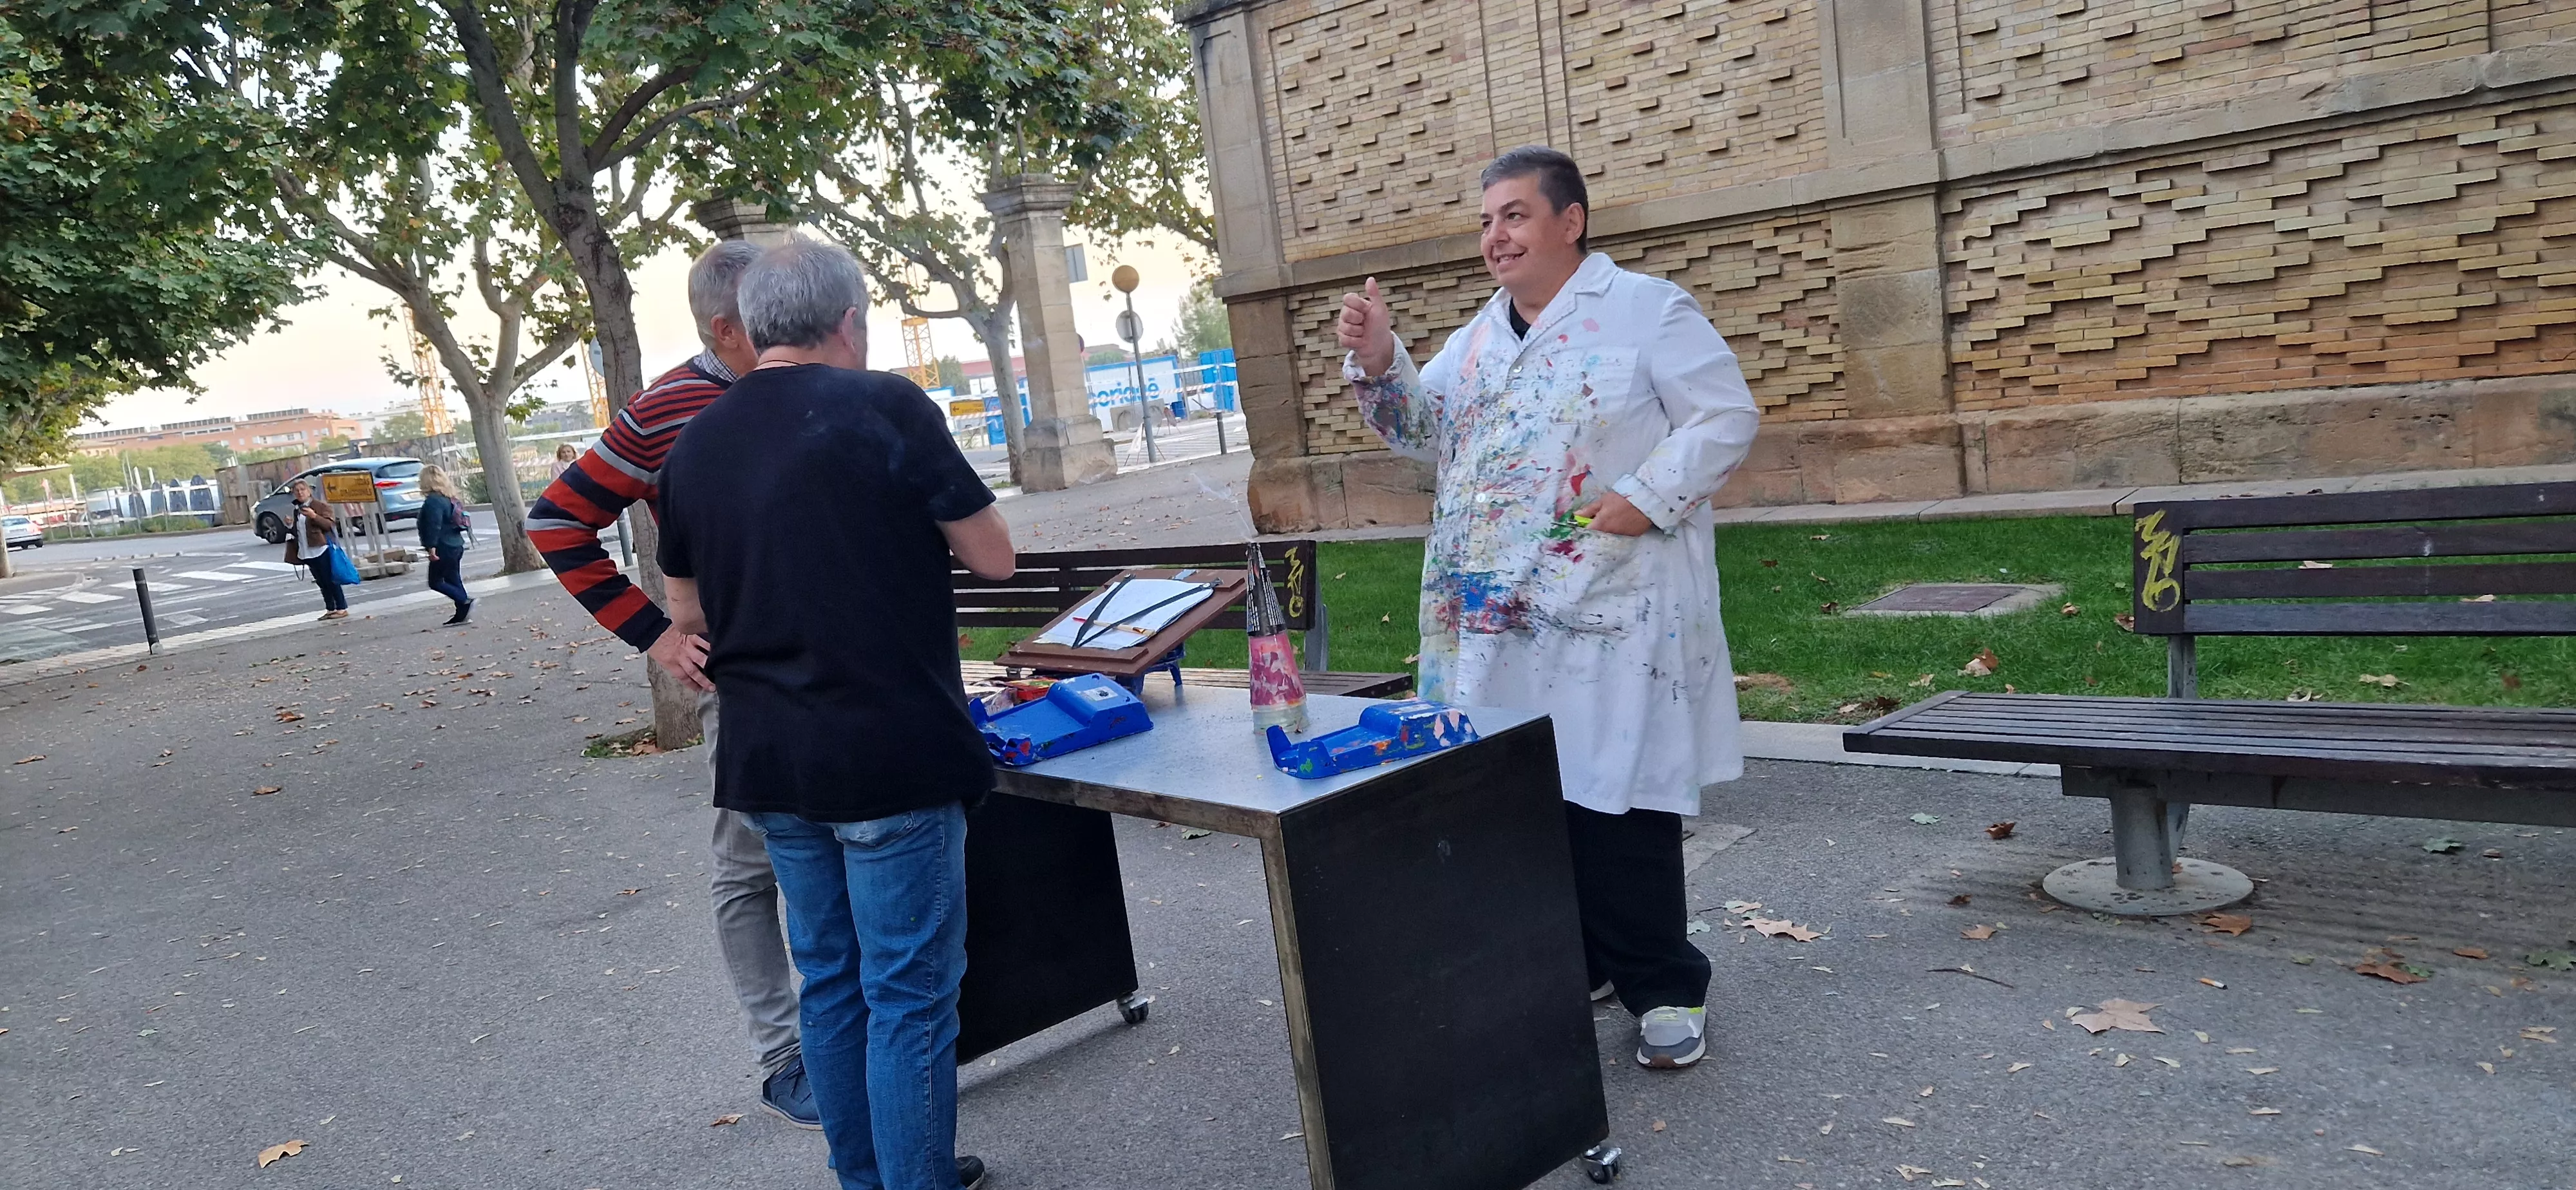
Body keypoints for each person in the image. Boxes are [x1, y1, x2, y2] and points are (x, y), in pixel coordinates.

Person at [1336, 146, 1759, 1071]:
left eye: (1516, 215)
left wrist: (1648, 494)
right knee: (1530, 795)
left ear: (1570, 221)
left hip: (1609, 604)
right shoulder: (1482, 335)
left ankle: (1665, 986)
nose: (1496, 235)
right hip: (1493, 614)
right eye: (1488, 219)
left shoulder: (1647, 310)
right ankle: (1585, 959)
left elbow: (1725, 415)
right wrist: (1379, 361)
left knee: (1618, 795)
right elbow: (1425, 433)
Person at [659, 237, 1012, 1190]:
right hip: (890, 751)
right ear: (848, 320)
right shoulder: (888, 406)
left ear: (755, 323)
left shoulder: (696, 442)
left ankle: (874, 1176)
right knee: (910, 998)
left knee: (835, 988)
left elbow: (684, 616)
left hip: (773, 762)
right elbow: (995, 559)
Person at [524, 241, 822, 1127]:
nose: (790, 330)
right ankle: (784, 1056)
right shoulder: (666, 412)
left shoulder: (809, 388)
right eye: (771, 316)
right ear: (727, 326)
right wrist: (655, 634)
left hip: (841, 669)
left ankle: (864, 1053)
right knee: (748, 864)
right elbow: (557, 520)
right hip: (747, 680)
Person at [415, 464, 473, 625]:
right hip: (456, 545)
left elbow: (434, 525)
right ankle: (462, 613)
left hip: (443, 547)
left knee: (435, 582)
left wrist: (431, 548)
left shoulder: (433, 501)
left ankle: (464, 601)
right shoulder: (449, 498)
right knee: (453, 578)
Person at [285, 479, 349, 621]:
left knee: (330, 580)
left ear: (309, 491)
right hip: (307, 551)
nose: (300, 493)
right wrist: (290, 526)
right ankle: (330, 609)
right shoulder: (298, 510)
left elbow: (329, 525)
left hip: (322, 548)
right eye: (297, 491)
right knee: (321, 582)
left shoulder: (320, 506)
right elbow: (300, 531)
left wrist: (314, 516)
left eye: (303, 489)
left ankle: (341, 608)